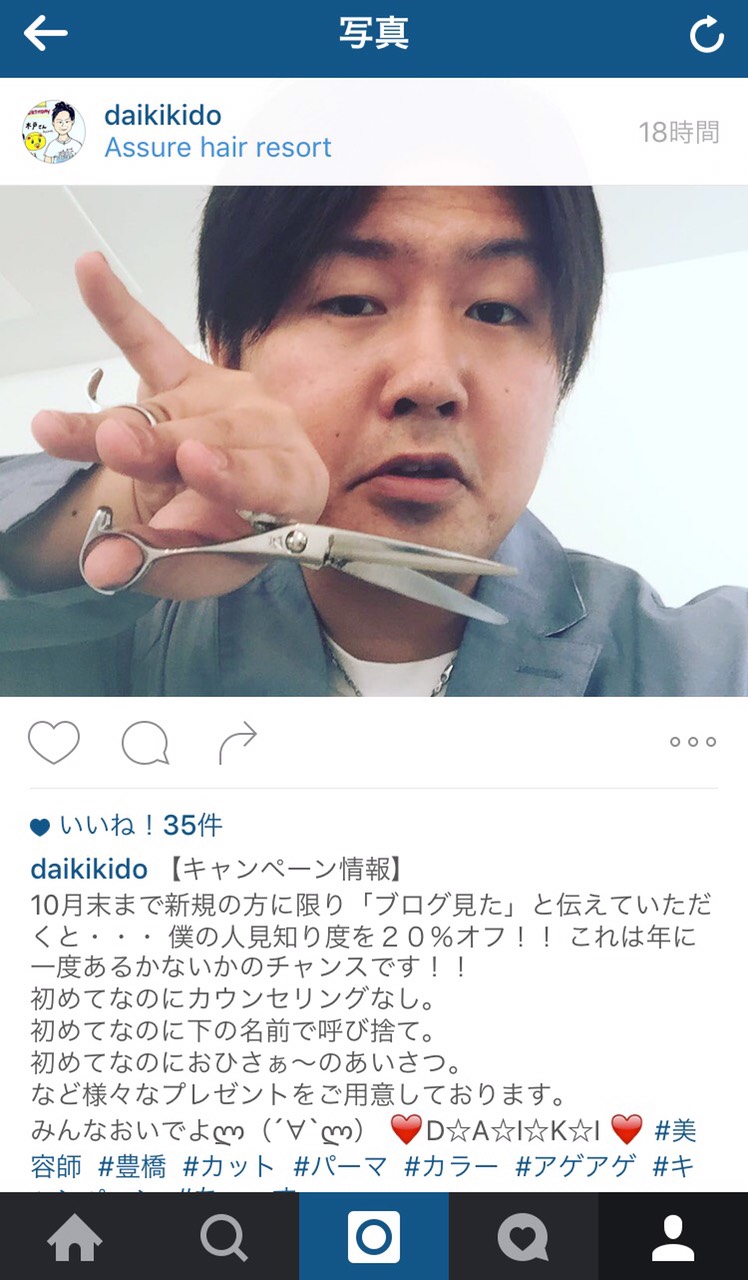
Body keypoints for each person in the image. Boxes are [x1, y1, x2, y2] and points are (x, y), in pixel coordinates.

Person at [0, 185, 746, 696]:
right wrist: (91, 524)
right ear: (230, 358)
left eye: (495, 310)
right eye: (352, 300)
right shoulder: (103, 650)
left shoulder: (705, 670)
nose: (429, 379)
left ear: (563, 373)